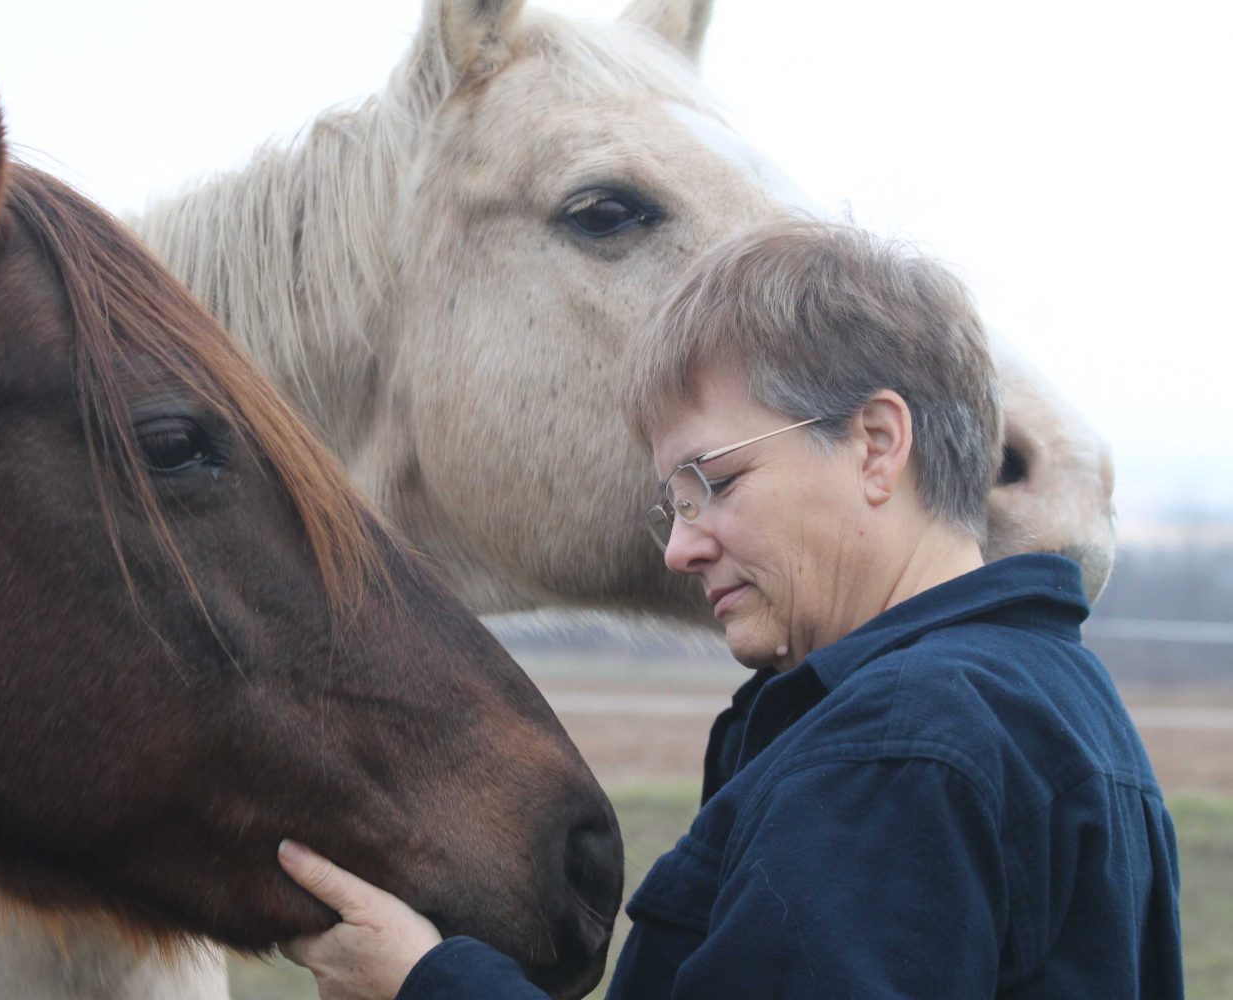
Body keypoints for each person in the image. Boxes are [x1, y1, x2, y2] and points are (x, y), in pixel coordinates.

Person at [273, 218, 1184, 999]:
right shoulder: (1058, 698)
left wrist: (424, 984)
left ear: (876, 444)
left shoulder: (900, 755)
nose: (681, 547)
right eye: (672, 501)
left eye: (716, 480)